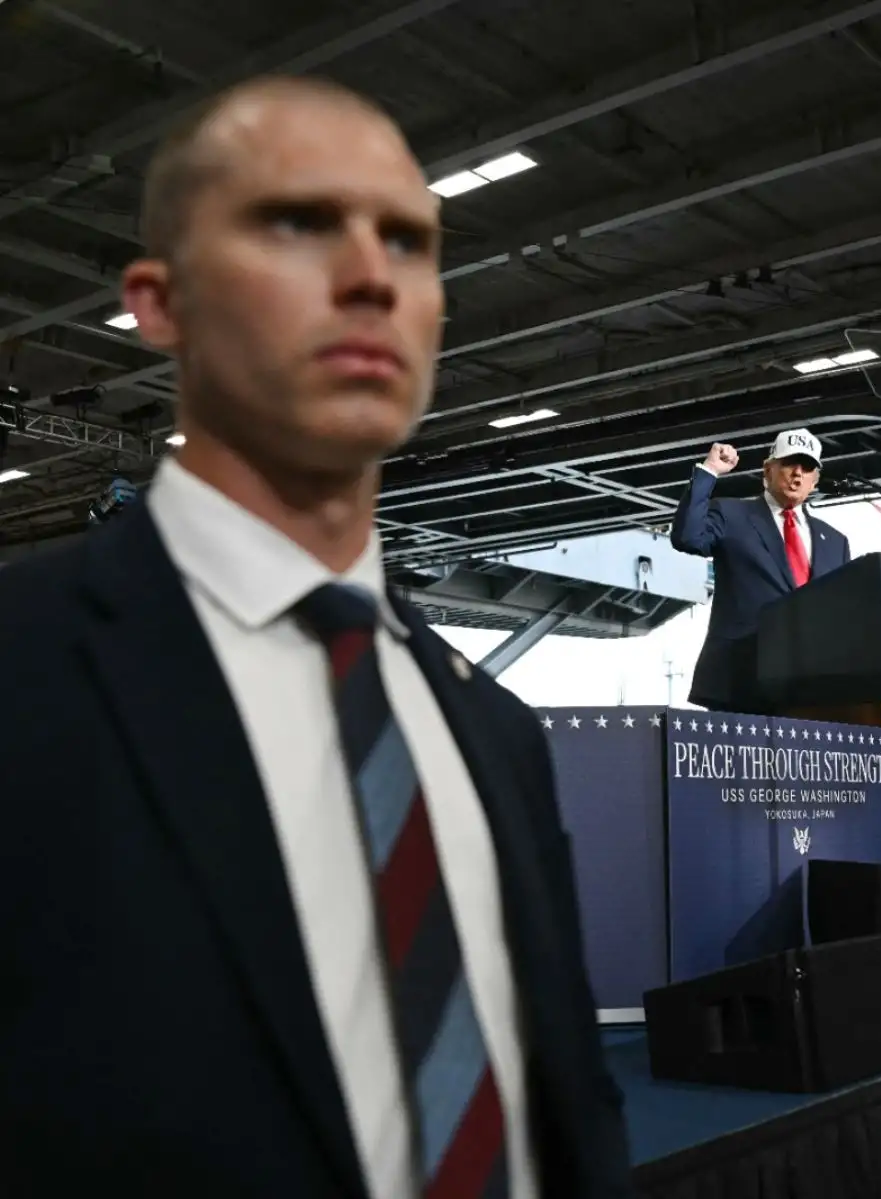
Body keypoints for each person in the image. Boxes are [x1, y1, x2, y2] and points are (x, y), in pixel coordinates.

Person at [0, 77, 631, 1197]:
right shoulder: (26, 672)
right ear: (158, 301)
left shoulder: (495, 735)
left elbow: (571, 1109)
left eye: (408, 240)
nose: (368, 275)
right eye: (294, 223)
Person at [670, 431, 852, 709]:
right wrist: (710, 471)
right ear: (768, 469)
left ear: (815, 480)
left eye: (807, 468)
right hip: (739, 682)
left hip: (813, 689)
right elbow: (687, 536)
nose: (797, 474)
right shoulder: (732, 515)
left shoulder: (836, 542)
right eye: (790, 463)